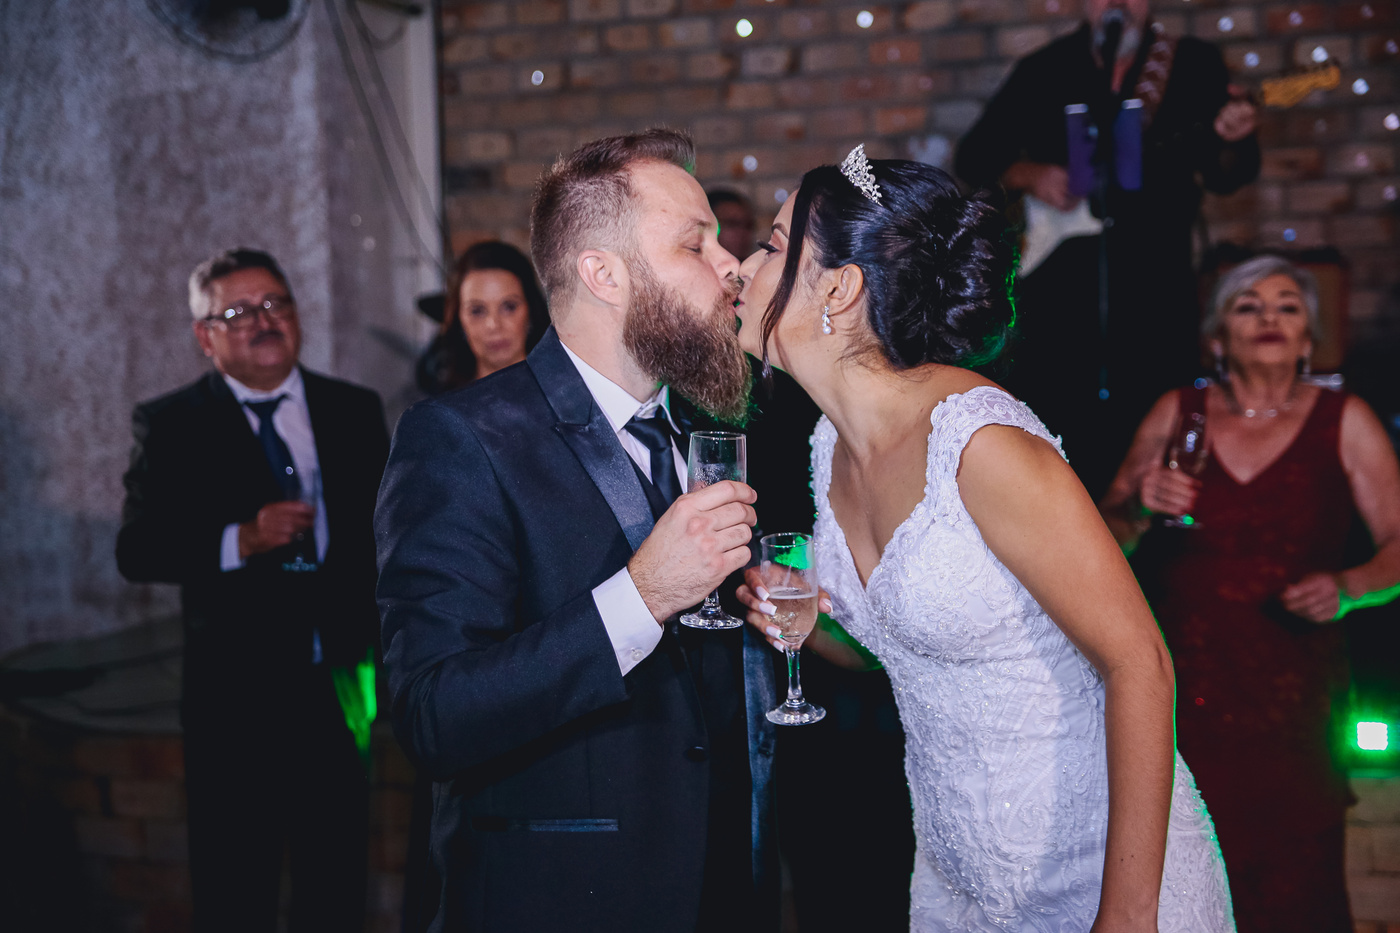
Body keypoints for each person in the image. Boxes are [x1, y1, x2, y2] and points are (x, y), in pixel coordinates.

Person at [733, 148, 1234, 931]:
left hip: (1100, 871)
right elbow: (893, 646)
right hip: (959, 885)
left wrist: (1128, 915)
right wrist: (805, 620)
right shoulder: (830, 446)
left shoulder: (979, 444)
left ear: (840, 286)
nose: (740, 267)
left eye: (769, 245)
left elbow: (1141, 662)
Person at [374, 128, 778, 933]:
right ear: (604, 274)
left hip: (721, 889)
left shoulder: (712, 428)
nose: (731, 264)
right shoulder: (461, 439)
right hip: (564, 899)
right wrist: (641, 595)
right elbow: (432, 714)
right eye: (695, 243)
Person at [1100, 256, 1400, 933]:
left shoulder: (1344, 419)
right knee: (1190, 875)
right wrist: (1139, 505)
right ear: (1218, 335)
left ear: (1307, 338)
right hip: (1185, 687)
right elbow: (1103, 540)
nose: (1269, 318)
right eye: (1248, 305)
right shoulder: (1177, 412)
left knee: (1297, 886)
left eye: (1287, 306)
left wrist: (1349, 587)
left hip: (1296, 696)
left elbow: (1397, 545)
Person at [115, 248, 389, 932]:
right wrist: (239, 538)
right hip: (235, 702)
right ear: (204, 336)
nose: (262, 321)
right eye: (237, 312)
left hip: (342, 688)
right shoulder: (172, 423)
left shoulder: (353, 409)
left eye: (274, 304)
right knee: (237, 890)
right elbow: (136, 549)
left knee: (337, 885)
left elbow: (387, 540)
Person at [954, 0, 1260, 500]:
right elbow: (973, 156)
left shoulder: (1191, 64)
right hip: (1062, 287)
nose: (1117, 4)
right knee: (1060, 416)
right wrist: (1030, 174)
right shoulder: (1046, 68)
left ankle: (1144, 524)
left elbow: (1229, 175)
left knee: (1155, 407)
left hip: (1156, 277)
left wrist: (1236, 137)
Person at [414, 239, 551, 396]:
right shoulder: (442, 406)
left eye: (509, 307)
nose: (493, 325)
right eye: (477, 311)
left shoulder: (567, 394)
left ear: (531, 309)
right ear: (459, 318)